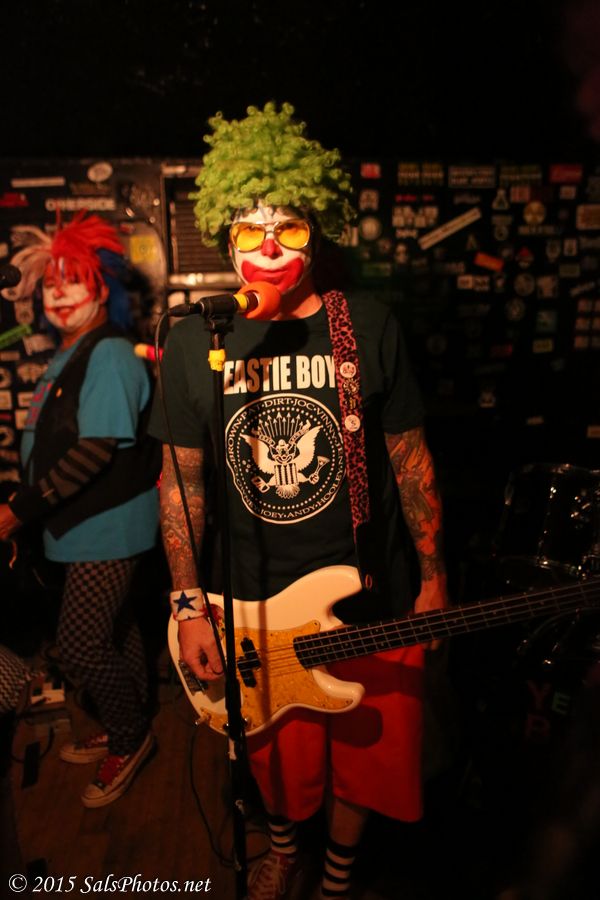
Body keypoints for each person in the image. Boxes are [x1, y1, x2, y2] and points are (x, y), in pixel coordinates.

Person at [150, 103, 448, 899]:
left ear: (319, 230)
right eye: (250, 231)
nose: (270, 247)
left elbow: (411, 461)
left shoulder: (367, 326)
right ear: (225, 239)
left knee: (365, 762)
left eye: (287, 226)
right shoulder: (197, 340)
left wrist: (433, 575)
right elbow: (181, 487)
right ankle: (285, 854)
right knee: (275, 765)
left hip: (370, 597)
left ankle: (337, 880)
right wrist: (188, 604)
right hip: (249, 607)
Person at [0, 212, 160, 808]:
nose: (60, 292)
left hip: (107, 526)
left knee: (81, 643)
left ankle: (130, 736)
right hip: (79, 527)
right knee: (117, 631)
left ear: (100, 288)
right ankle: (128, 720)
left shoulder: (111, 352)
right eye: (51, 282)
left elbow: (95, 451)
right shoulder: (70, 353)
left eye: (74, 279)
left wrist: (18, 512)